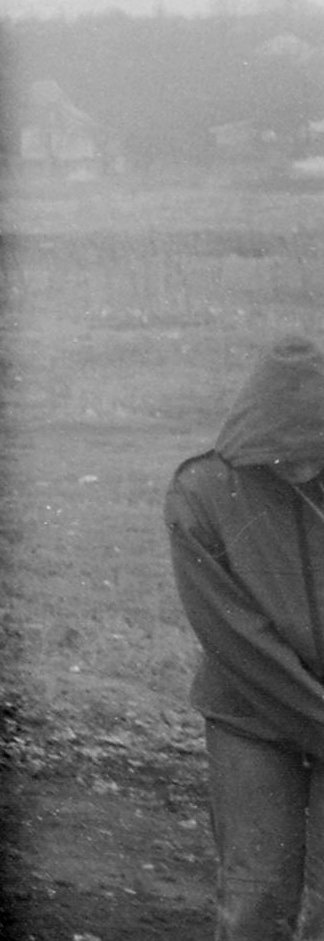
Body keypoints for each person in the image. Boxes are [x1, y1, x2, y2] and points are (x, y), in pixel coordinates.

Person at [166, 334, 324, 941]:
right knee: (257, 899)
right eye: (287, 452)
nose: (302, 466)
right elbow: (237, 640)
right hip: (250, 716)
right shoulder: (200, 492)